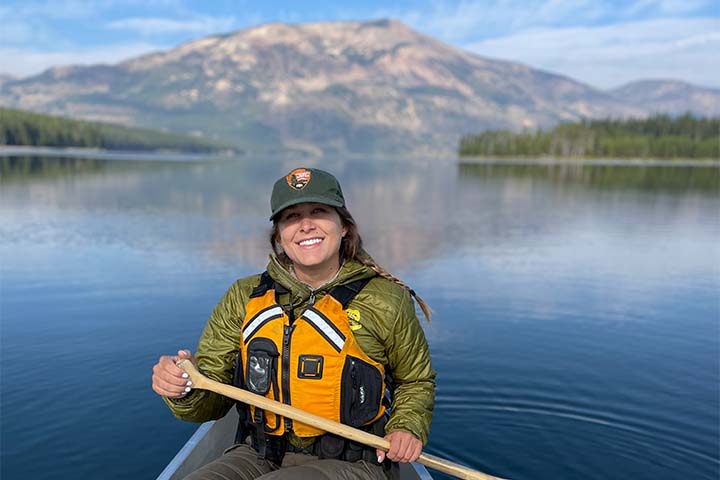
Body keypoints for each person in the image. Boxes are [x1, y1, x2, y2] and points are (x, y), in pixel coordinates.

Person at [152, 167, 436, 480]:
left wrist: (407, 426)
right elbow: (209, 403)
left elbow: (415, 381)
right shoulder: (243, 296)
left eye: (319, 211)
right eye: (291, 216)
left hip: (355, 463)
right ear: (278, 235)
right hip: (257, 453)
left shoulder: (386, 300)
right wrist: (183, 388)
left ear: (344, 226)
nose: (305, 225)